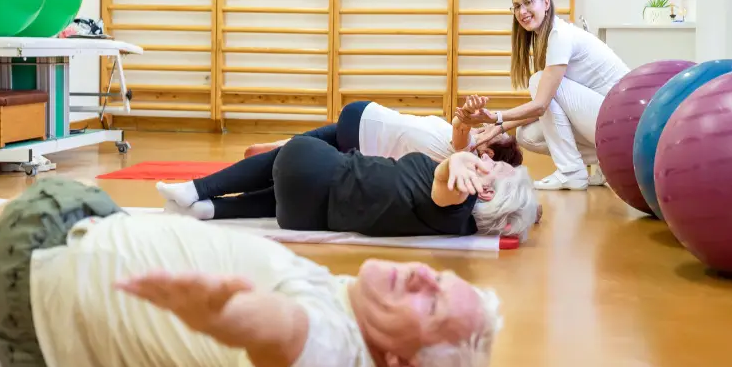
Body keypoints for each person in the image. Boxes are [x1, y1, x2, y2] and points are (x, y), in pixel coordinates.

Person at [0, 177, 502, 367]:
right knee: (10, 298)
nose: (425, 274)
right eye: (442, 277)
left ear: (402, 364)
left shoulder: (333, 356)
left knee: (35, 202)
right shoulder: (370, 350)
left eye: (430, 302)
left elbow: (285, 333)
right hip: (48, 336)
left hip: (55, 248)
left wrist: (229, 315)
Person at [159, 134, 540, 238]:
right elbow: (519, 216)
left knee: (294, 152)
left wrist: (453, 162)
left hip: (310, 171)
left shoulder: (456, 200)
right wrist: (529, 212)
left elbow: (445, 186)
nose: (489, 160)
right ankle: (213, 210)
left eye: (493, 170)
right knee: (294, 184)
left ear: (485, 192)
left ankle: (196, 189)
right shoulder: (464, 224)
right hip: (301, 218)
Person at [455, 0, 631, 191]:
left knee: (537, 81)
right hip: (610, 122)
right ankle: (605, 162)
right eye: (517, 6)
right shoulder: (548, 38)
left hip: (622, 122)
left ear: (546, 3)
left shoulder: (559, 35)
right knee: (527, 135)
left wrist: (496, 118)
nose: (522, 11)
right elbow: (547, 105)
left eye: (528, 2)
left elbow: (541, 104)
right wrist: (498, 127)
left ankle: (571, 173)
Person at [243, 99, 524, 166]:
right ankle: (270, 156)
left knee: (306, 143)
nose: (491, 128)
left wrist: (464, 121)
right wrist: (463, 119)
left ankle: (268, 149)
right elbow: (461, 131)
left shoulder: (467, 154)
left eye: (495, 134)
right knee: (308, 152)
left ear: (488, 154)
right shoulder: (465, 150)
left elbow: (463, 134)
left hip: (363, 114)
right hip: (362, 134)